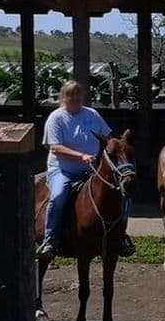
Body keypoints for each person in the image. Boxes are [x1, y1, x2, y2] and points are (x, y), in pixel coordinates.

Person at [38, 80, 135, 260]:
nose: (74, 98)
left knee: (123, 195)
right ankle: (49, 238)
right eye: (70, 95)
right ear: (63, 97)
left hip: (91, 169)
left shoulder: (92, 114)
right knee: (58, 195)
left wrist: (119, 144)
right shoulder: (56, 118)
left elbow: (108, 138)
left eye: (77, 94)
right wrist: (81, 156)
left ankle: (120, 237)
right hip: (63, 169)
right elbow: (55, 147)